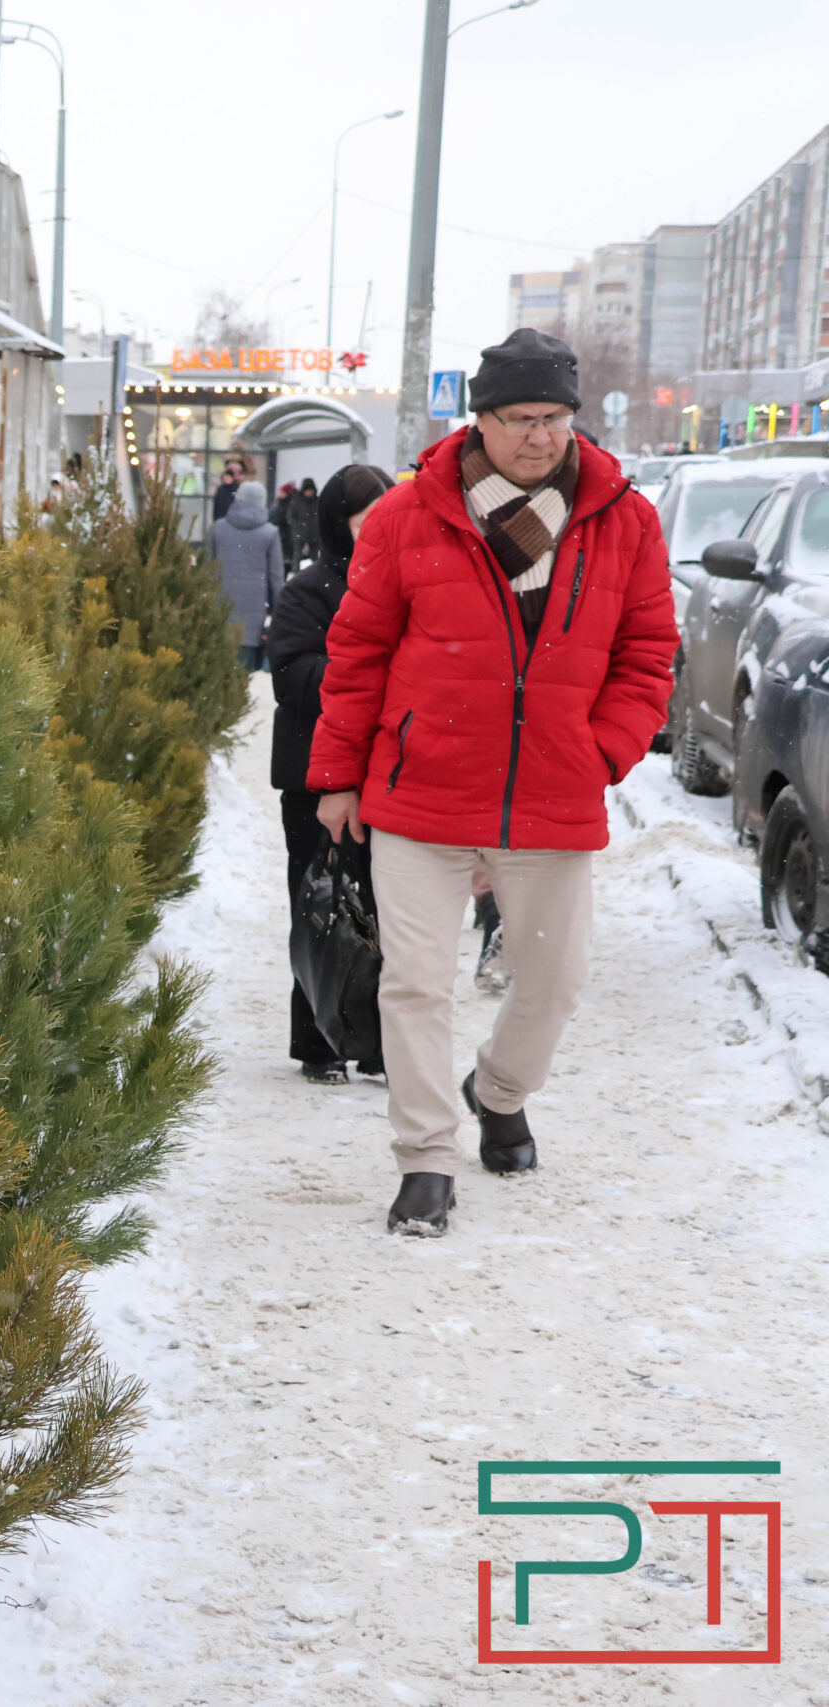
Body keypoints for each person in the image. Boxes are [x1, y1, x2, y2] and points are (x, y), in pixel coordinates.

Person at [308, 328, 676, 1237]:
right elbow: (357, 651)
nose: (539, 435)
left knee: (554, 981)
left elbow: (647, 652)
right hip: (421, 790)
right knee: (416, 982)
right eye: (520, 418)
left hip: (553, 792)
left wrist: (601, 752)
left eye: (554, 417)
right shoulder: (409, 515)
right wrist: (338, 774)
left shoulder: (624, 518)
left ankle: (500, 1089)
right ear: (481, 420)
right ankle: (426, 1158)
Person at [266, 463, 396, 1084]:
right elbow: (289, 673)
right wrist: (360, 675)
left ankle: (378, 1043)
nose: (377, 533)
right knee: (321, 906)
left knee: (389, 912)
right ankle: (317, 1039)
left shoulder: (402, 583)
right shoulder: (309, 590)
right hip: (314, 777)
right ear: (339, 524)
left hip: (389, 775)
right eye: (366, 522)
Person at [212, 479, 284, 672]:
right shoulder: (270, 533)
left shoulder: (218, 529)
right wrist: (279, 610)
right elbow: (276, 577)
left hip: (220, 609)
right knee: (244, 671)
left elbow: (205, 570)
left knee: (219, 670)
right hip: (254, 613)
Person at [212, 456, 247, 526]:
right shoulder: (220, 489)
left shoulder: (237, 489)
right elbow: (216, 504)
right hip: (221, 517)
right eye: (225, 477)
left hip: (233, 519)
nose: (227, 479)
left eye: (228, 477)